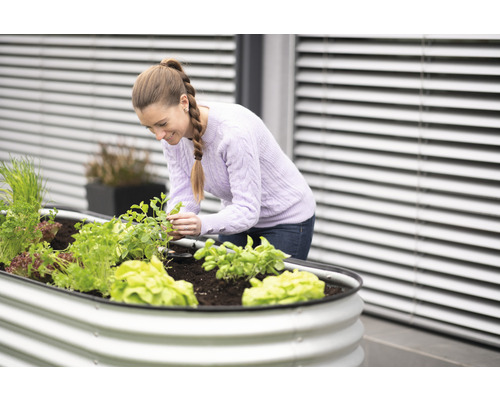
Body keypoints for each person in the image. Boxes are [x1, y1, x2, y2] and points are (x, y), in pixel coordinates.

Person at [132, 58, 316, 260]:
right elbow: (184, 191)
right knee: (226, 283)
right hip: (238, 216)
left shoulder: (232, 133)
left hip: (285, 219)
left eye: (162, 123)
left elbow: (247, 210)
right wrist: (176, 223)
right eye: (150, 127)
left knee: (273, 289)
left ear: (183, 102)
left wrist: (201, 225)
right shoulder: (170, 137)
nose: (158, 135)